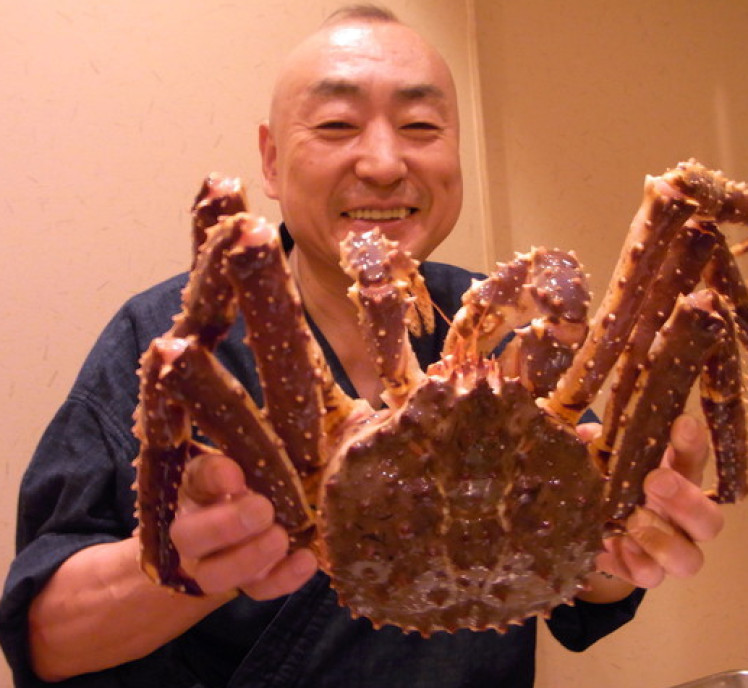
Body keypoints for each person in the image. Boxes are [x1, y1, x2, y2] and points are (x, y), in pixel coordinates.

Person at [0, 5, 725, 687]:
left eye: (419, 126)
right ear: (273, 160)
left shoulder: (511, 337)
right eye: (339, 124)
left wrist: (626, 538)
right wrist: (185, 562)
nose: (382, 163)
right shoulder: (176, 338)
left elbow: (581, 586)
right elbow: (41, 638)